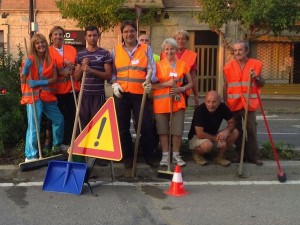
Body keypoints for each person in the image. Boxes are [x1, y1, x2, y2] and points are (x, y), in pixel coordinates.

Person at [111, 20, 157, 169]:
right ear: (122, 34)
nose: (129, 34)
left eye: (131, 31)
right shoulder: (116, 50)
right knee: (122, 127)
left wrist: (149, 81)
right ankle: (128, 156)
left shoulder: (145, 48)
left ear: (136, 32)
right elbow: (112, 72)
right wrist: (114, 83)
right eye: (126, 32)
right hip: (121, 94)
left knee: (145, 125)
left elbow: (152, 68)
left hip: (140, 93)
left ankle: (148, 155)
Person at [20, 33, 64, 162]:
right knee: (34, 126)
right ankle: (31, 155)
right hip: (34, 97)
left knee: (59, 120)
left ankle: (56, 146)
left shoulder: (51, 60)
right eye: (37, 43)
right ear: (34, 46)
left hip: (47, 96)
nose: (41, 45)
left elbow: (55, 78)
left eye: (42, 42)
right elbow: (23, 79)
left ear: (46, 43)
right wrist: (25, 69)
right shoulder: (29, 60)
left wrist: (39, 83)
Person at [223, 40, 265, 165]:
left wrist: (256, 77)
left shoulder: (256, 64)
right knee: (237, 131)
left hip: (249, 104)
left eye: (240, 50)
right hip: (234, 103)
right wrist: (225, 101)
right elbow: (226, 85)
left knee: (251, 130)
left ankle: (253, 156)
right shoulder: (228, 66)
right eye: (235, 50)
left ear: (247, 51)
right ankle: (239, 155)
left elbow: (262, 83)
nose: (237, 52)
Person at [152, 38, 193, 167]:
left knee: (177, 131)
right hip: (161, 103)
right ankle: (165, 155)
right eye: (167, 49)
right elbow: (152, 86)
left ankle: (176, 155)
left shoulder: (183, 64)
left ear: (176, 50)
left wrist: (182, 88)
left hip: (178, 102)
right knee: (163, 131)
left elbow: (191, 83)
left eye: (172, 48)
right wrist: (166, 84)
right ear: (163, 51)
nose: (169, 51)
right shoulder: (157, 66)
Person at [43, 26, 80, 153]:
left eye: (60, 34)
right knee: (53, 118)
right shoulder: (47, 51)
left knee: (70, 116)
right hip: (54, 91)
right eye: (55, 34)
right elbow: (45, 69)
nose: (58, 36)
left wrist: (72, 68)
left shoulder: (71, 49)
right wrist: (60, 71)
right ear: (51, 37)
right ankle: (49, 142)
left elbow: (76, 66)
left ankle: (67, 142)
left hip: (70, 89)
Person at [188, 91, 239, 166]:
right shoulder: (199, 110)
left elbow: (232, 122)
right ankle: (197, 154)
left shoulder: (222, 107)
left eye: (214, 102)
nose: (211, 105)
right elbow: (200, 134)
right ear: (205, 101)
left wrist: (226, 131)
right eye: (208, 102)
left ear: (219, 102)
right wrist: (218, 139)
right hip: (196, 137)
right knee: (208, 145)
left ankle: (218, 157)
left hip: (212, 135)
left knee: (235, 132)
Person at [160, 30, 198, 107]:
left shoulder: (192, 55)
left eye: (183, 39)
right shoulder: (164, 54)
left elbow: (193, 77)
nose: (180, 41)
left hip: (183, 90)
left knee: (179, 112)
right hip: (166, 90)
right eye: (178, 39)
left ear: (187, 40)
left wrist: (196, 95)